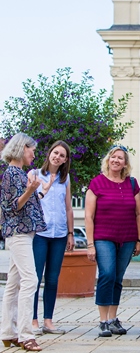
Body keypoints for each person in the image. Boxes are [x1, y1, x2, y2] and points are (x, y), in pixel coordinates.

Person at [85, 145, 140, 337]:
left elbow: (139, 212)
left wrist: (139, 239)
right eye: (113, 157)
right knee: (107, 274)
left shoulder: (132, 184)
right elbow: (88, 215)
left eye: (120, 158)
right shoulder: (97, 183)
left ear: (125, 163)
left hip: (127, 238)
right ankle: (102, 321)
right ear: (108, 160)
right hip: (103, 237)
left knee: (118, 278)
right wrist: (90, 244)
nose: (116, 160)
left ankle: (112, 318)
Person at [0, 133, 47, 352]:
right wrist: (31, 189)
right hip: (18, 233)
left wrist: (39, 192)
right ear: (22, 148)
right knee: (31, 280)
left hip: (22, 233)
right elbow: (12, 207)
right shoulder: (12, 173)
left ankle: (8, 333)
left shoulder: (18, 173)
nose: (34, 154)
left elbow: (25, 205)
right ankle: (26, 335)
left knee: (14, 283)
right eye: (32, 149)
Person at [31, 141, 74, 335]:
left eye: (62, 155)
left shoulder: (65, 179)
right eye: (55, 153)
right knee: (35, 277)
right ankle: (32, 321)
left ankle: (48, 320)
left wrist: (71, 233)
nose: (58, 157)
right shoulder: (34, 174)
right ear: (49, 154)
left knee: (52, 278)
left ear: (66, 160)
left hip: (59, 235)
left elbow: (68, 208)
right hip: (40, 234)